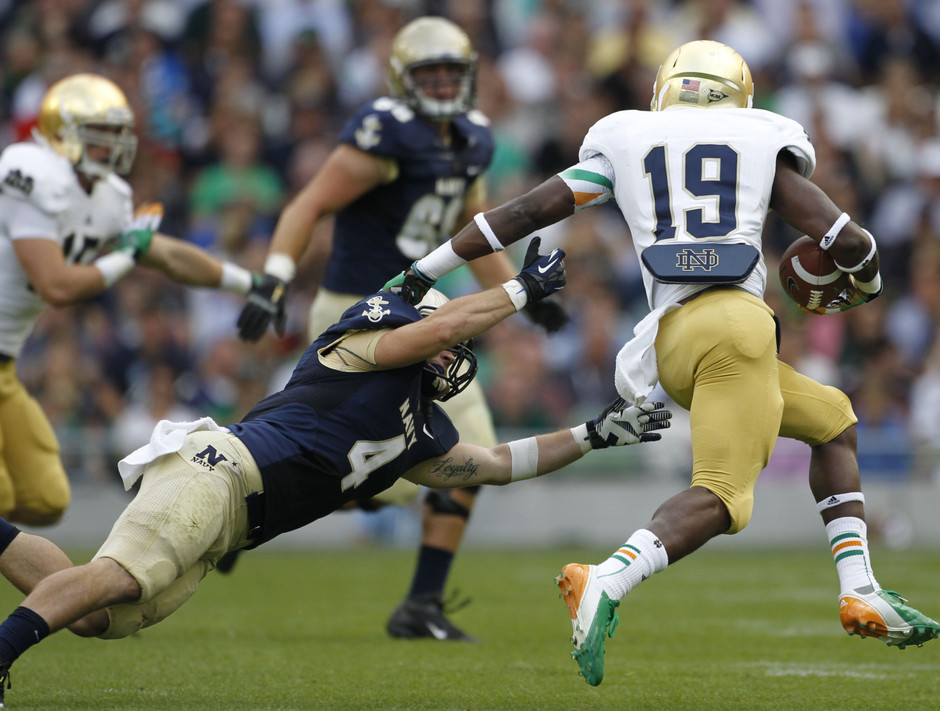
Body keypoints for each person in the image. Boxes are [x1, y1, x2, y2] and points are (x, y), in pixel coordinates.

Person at [392, 40, 940, 685]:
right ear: (738, 93)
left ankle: (861, 587)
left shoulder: (630, 139)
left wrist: (418, 274)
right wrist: (867, 286)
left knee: (833, 420)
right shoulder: (760, 138)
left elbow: (519, 214)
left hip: (674, 339)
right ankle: (606, 579)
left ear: (668, 87)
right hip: (736, 327)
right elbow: (849, 241)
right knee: (722, 496)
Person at [0, 241, 671, 705]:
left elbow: (497, 463)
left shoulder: (422, 431)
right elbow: (427, 334)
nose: (453, 356)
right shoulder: (363, 347)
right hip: (219, 472)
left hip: (234, 523)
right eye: (448, 339)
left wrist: (592, 434)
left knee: (100, 613)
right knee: (117, 575)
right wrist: (519, 288)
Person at [234, 15, 567, 641]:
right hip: (357, 309)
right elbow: (309, 204)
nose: (442, 83)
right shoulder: (384, 134)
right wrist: (274, 276)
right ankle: (244, 493)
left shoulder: (473, 137)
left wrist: (517, 291)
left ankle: (417, 600)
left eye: (452, 71)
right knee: (408, 458)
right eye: (429, 72)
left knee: (425, 468)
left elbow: (471, 224)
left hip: (421, 308)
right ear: (402, 77)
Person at [0, 73, 269, 528]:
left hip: (5, 363)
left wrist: (249, 282)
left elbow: (167, 255)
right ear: (63, 136)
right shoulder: (31, 172)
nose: (114, 146)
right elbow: (57, 286)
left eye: (117, 135)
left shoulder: (108, 196)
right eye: (101, 136)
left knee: (43, 498)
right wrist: (125, 256)